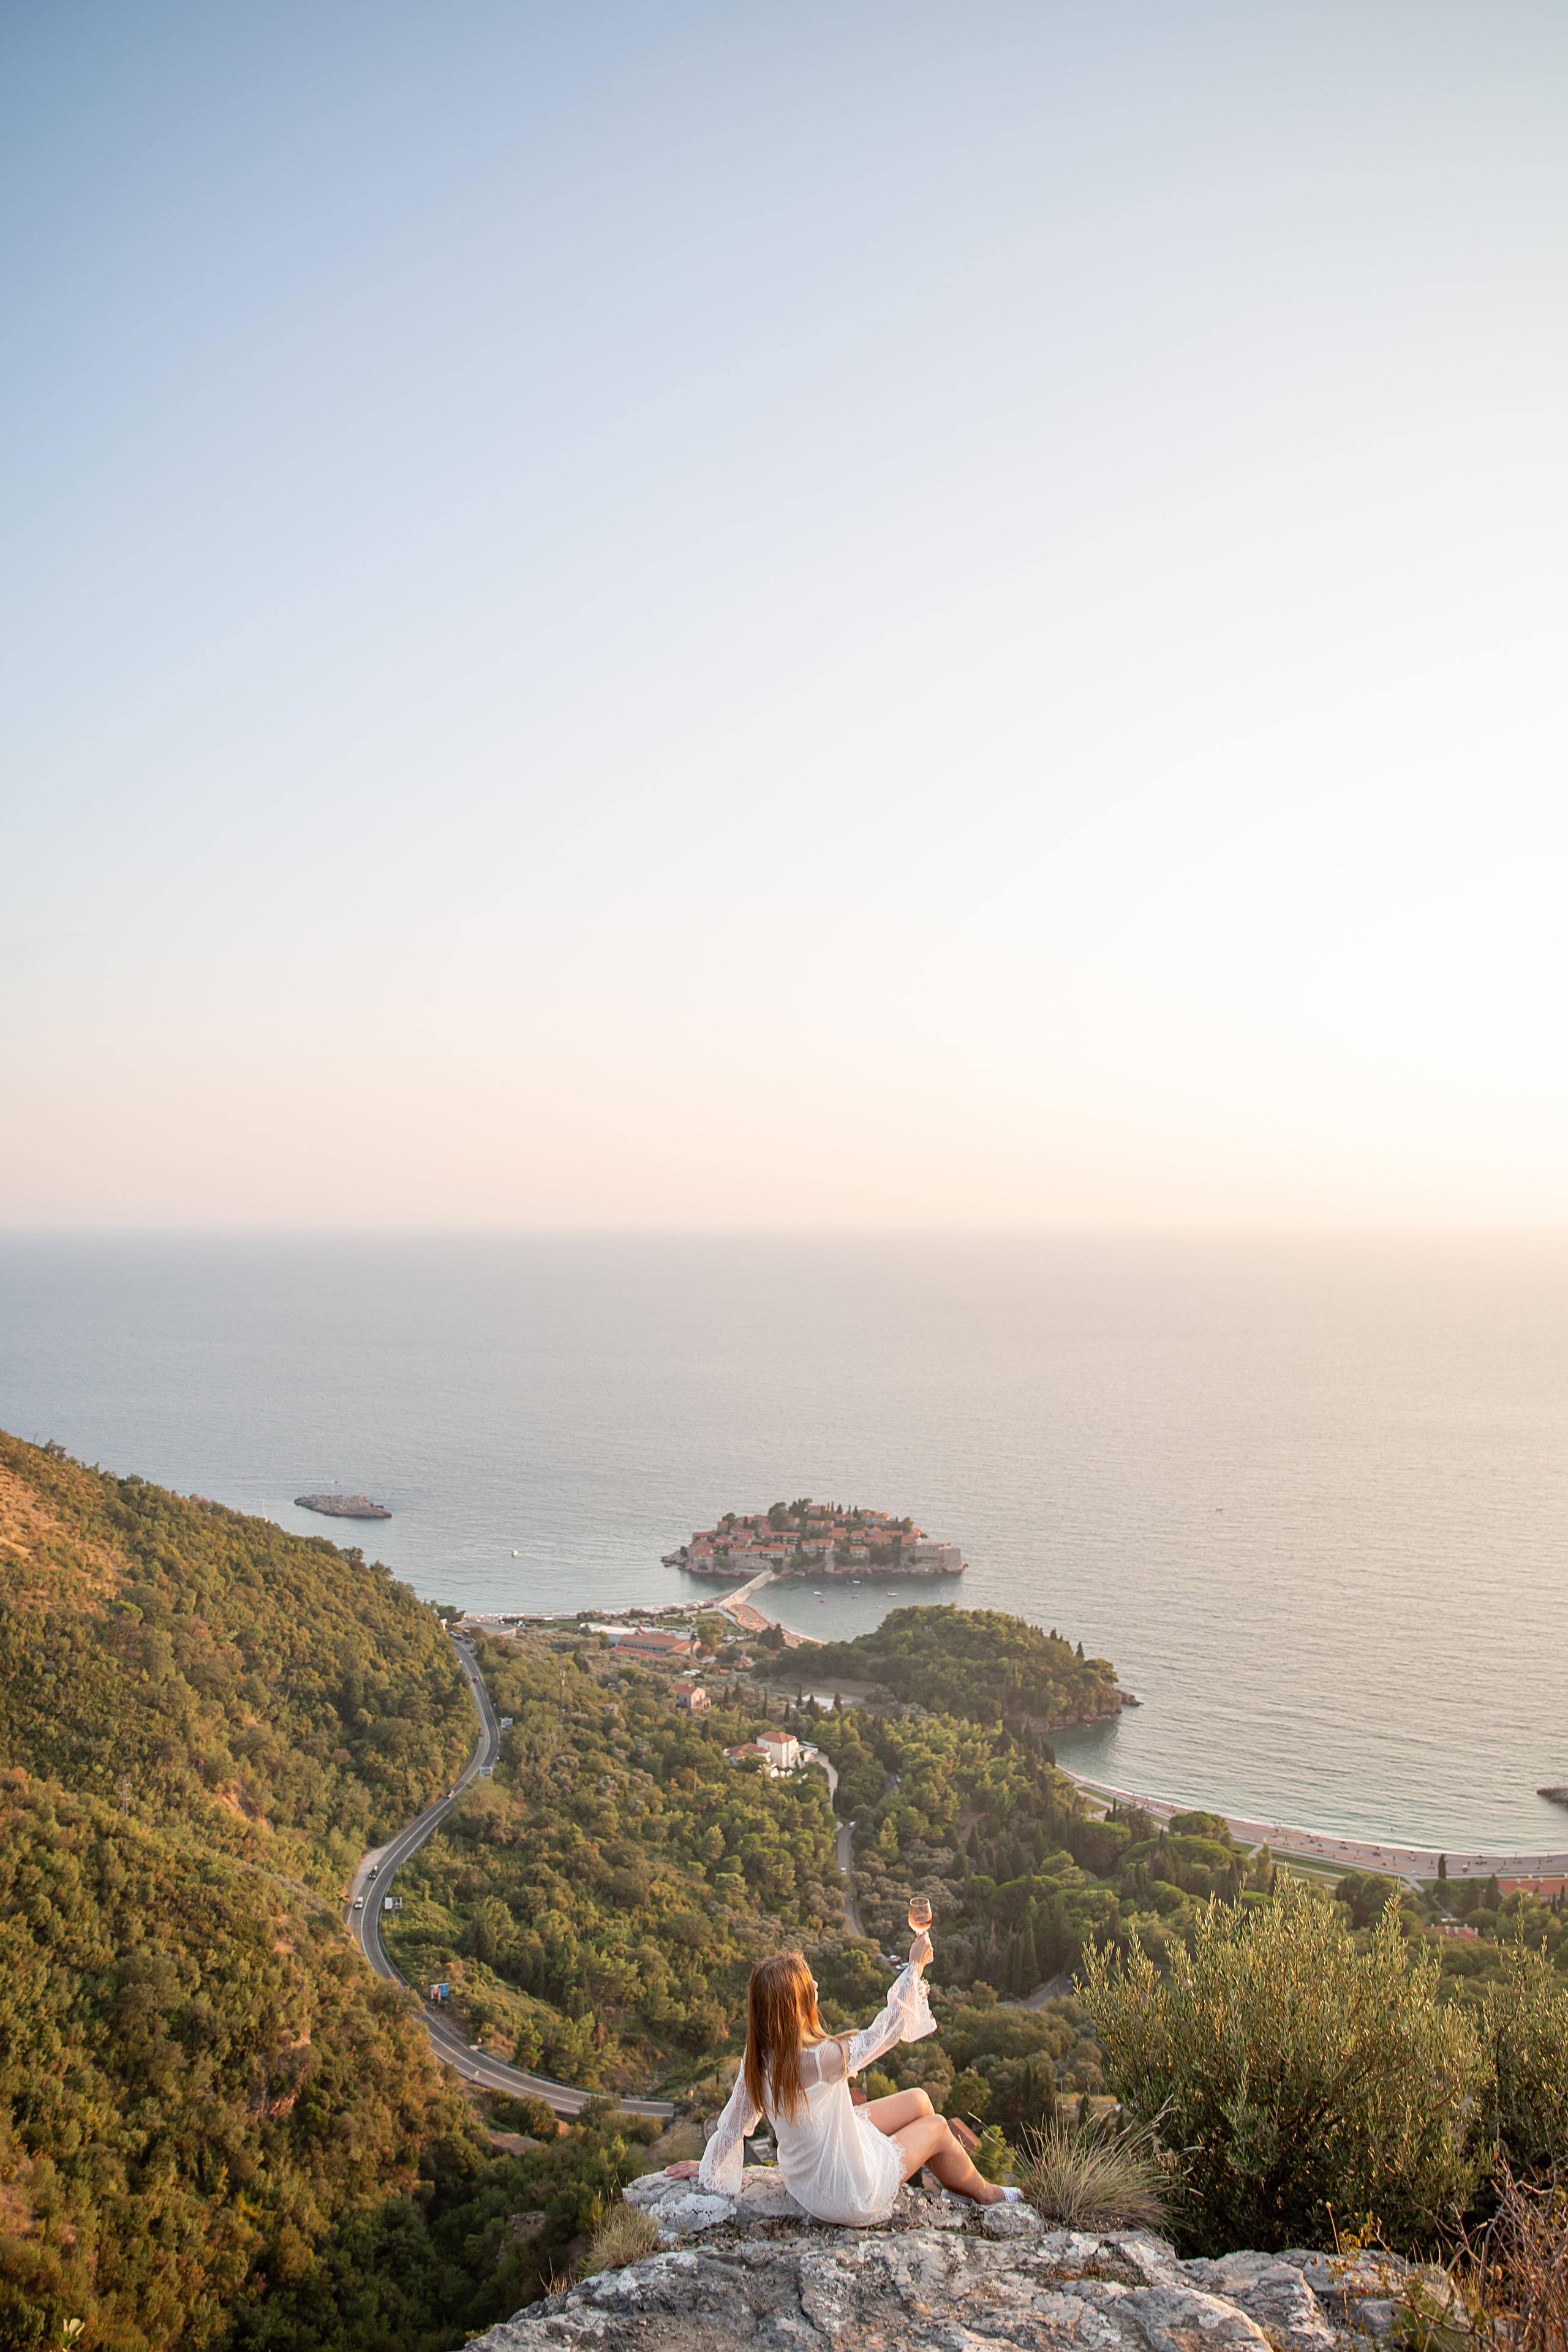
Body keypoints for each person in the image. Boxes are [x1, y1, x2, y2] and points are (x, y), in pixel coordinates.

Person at [691, 1930, 1022, 2225]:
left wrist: (710, 2171)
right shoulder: (821, 2059)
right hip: (846, 2193)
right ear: (797, 2004)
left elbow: (733, 2125)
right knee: (937, 2127)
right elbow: (887, 2030)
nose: (817, 1987)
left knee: (920, 2099)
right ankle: (987, 2195)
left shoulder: (758, 2056)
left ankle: (958, 2190)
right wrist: (915, 1967)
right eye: (810, 1985)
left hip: (806, 2178)